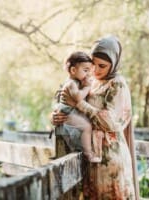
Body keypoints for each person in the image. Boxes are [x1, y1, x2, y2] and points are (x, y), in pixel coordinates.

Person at [52, 36, 140, 199]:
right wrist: (59, 115)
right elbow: (70, 104)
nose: (97, 70)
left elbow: (112, 123)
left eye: (102, 66)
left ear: (113, 63)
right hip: (90, 157)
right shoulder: (90, 82)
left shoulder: (117, 84)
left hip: (110, 158)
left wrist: (80, 104)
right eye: (93, 64)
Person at [54, 51, 101, 163]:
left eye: (89, 71)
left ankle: (85, 151)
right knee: (86, 127)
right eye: (85, 70)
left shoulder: (76, 82)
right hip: (68, 113)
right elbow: (78, 97)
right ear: (73, 70)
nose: (88, 74)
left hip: (70, 112)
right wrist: (87, 87)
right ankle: (88, 154)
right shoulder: (71, 83)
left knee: (85, 126)